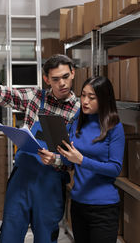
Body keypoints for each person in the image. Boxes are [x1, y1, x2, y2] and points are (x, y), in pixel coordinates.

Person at [0, 53, 80, 243]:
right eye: (55, 79)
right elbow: (0, 93)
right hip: (22, 178)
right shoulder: (35, 97)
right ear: (47, 79)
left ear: (72, 73)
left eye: (65, 77)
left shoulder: (79, 110)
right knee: (9, 235)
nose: (62, 83)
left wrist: (55, 159)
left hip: (50, 183)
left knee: (46, 237)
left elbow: (78, 155)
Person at [56, 76, 125, 243]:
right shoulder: (78, 122)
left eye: (91, 97)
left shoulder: (114, 126)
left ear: (104, 99)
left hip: (103, 208)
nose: (85, 101)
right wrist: (58, 157)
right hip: (78, 203)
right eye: (83, 95)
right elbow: (70, 163)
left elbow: (115, 168)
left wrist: (82, 160)